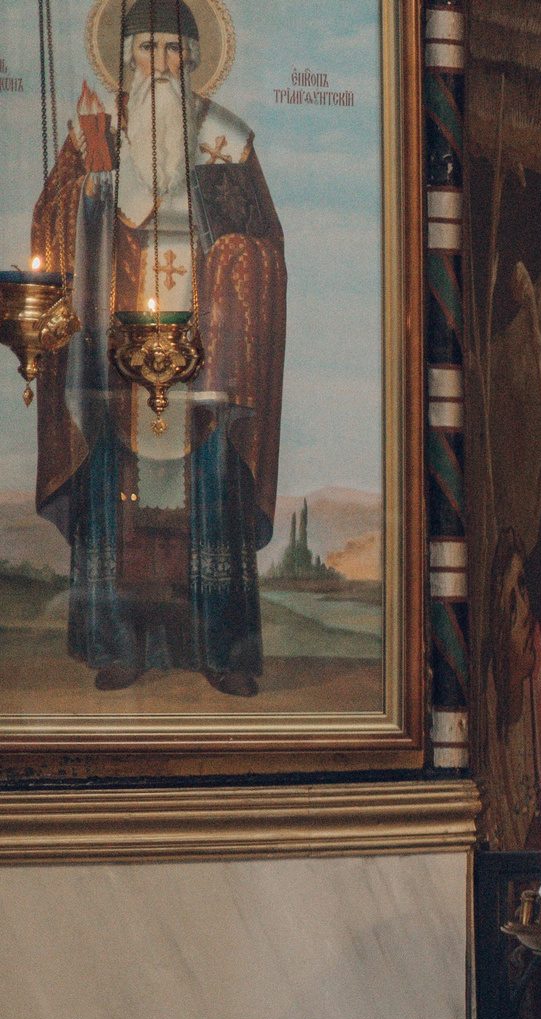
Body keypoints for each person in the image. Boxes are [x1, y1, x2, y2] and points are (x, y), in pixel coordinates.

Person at [33, 0, 284, 699]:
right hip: (111, 363)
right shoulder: (95, 133)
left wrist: (233, 262)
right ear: (126, 58)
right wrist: (90, 186)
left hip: (208, 363)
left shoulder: (227, 140)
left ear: (194, 59)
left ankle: (220, 650)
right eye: (148, 50)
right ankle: (118, 645)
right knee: (114, 497)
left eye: (174, 51)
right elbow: (51, 223)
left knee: (213, 493)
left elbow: (266, 244)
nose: (162, 65)